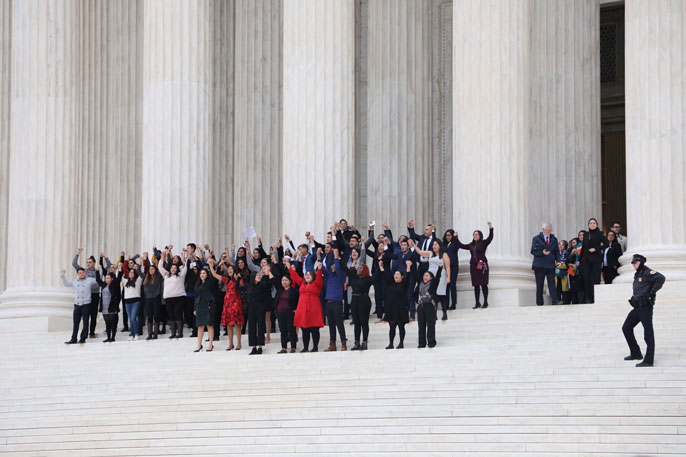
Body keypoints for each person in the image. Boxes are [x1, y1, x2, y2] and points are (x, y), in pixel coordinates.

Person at [622, 254, 665, 367]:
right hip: (637, 307)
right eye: (632, 263)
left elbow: (661, 278)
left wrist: (652, 293)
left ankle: (649, 360)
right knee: (626, 327)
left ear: (640, 262)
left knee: (648, 333)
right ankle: (636, 353)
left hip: (645, 307)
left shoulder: (647, 271)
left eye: (635, 262)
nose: (633, 265)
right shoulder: (638, 274)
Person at [455, 222, 494, 309]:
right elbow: (460, 245)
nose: (475, 236)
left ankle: (485, 302)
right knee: (476, 285)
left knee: (483, 284)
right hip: (473, 266)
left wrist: (490, 228)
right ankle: (477, 303)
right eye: (474, 234)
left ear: (480, 235)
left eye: (477, 234)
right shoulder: (470, 245)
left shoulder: (484, 243)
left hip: (482, 266)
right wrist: (456, 237)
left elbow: (490, 238)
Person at [342, 259, 378, 351]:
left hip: (364, 300)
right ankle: (356, 342)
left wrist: (379, 265)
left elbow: (376, 277)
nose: (358, 269)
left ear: (365, 270)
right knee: (356, 323)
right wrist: (351, 264)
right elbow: (346, 270)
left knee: (363, 322)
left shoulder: (368, 279)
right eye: (358, 268)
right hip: (354, 300)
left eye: (361, 268)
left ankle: (364, 342)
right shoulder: (354, 277)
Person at [289, 261, 325, 352]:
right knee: (304, 329)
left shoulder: (316, 284)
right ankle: (305, 347)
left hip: (314, 309)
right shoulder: (302, 283)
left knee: (314, 329)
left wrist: (320, 269)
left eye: (309, 274)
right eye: (306, 274)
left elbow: (319, 279)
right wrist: (289, 267)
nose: (307, 276)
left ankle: (315, 347)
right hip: (303, 309)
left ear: (313, 276)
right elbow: (295, 277)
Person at [411, 239, 451, 320]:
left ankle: (444, 313)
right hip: (431, 275)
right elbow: (420, 252)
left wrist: (448, 277)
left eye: (436, 244)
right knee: (433, 294)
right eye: (433, 245)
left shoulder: (444, 255)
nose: (434, 246)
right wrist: (413, 245)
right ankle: (434, 314)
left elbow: (447, 267)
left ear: (440, 245)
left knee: (441, 294)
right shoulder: (430, 253)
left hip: (441, 276)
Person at [210, 261, 244, 351]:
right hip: (227, 303)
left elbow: (242, 286)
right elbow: (214, 275)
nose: (229, 270)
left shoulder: (238, 279)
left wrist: (238, 279)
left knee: (237, 324)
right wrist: (210, 265)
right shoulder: (226, 279)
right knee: (229, 324)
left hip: (236, 302)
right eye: (228, 269)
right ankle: (230, 343)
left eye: (231, 269)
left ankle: (239, 343)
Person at [61, 267, 100, 344]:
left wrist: (99, 271)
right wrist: (63, 276)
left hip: (86, 304)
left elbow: (98, 281)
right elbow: (66, 284)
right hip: (77, 304)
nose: (82, 274)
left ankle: (83, 338)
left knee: (85, 322)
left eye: (83, 272)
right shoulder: (75, 281)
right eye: (80, 273)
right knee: (76, 322)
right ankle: (73, 338)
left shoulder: (90, 280)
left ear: (85, 273)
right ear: (78, 274)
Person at [380, 260, 411, 349]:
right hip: (391, 308)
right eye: (395, 274)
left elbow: (408, 277)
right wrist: (382, 267)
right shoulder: (391, 284)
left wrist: (408, 266)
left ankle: (401, 342)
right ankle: (391, 343)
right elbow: (385, 276)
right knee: (392, 326)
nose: (396, 276)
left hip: (401, 308)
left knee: (401, 326)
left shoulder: (404, 284)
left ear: (402, 276)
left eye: (398, 274)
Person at [158, 248, 188, 339]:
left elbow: (186, 267)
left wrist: (183, 258)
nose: (173, 269)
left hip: (179, 298)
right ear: (170, 269)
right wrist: (162, 257)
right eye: (172, 268)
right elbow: (160, 267)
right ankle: (173, 333)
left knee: (178, 313)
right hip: (168, 298)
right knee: (171, 315)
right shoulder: (166, 275)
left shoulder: (181, 276)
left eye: (175, 268)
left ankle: (180, 332)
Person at [72, 248, 102, 338]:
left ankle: (92, 332)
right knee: (86, 316)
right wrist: (77, 253)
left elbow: (99, 280)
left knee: (93, 315)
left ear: (94, 263)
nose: (88, 264)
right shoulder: (83, 271)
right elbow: (74, 264)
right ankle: (84, 333)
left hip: (95, 294)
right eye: (87, 262)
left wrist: (100, 270)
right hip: (86, 296)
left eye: (90, 262)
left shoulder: (97, 271)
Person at [322, 247, 348, 351]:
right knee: (331, 324)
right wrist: (320, 256)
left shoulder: (341, 275)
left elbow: (337, 267)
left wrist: (336, 256)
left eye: (334, 265)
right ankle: (332, 343)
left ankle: (343, 342)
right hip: (328, 302)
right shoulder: (329, 276)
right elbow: (324, 268)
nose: (333, 266)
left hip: (337, 302)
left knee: (339, 323)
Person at [269, 267, 299, 353]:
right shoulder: (280, 290)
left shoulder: (294, 291)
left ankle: (293, 346)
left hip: (290, 312)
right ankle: (284, 347)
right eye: (282, 280)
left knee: (291, 329)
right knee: (283, 330)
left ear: (290, 281)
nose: (284, 282)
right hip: (280, 313)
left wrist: (296, 309)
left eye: (286, 280)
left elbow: (297, 300)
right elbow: (273, 281)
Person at [530, 222, 561, 306]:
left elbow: (557, 252)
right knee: (540, 285)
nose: (549, 232)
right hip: (539, 265)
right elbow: (533, 251)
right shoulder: (536, 238)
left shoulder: (554, 239)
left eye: (550, 230)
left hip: (550, 265)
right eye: (547, 230)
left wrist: (558, 260)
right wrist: (542, 252)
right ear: (543, 230)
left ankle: (555, 300)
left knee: (552, 284)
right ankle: (539, 303)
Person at [414, 265, 443, 348]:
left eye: (427, 275)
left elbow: (437, 277)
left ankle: (431, 342)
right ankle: (421, 343)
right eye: (424, 275)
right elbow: (415, 294)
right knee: (421, 325)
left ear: (431, 277)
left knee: (430, 324)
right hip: (421, 306)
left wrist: (440, 268)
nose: (425, 277)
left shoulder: (433, 283)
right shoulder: (420, 284)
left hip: (430, 305)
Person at [193, 263, 219, 352]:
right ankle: (199, 344)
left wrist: (211, 266)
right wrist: (195, 308)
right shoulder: (197, 284)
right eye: (201, 273)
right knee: (200, 326)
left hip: (209, 305)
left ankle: (211, 344)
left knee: (209, 325)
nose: (202, 275)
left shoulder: (210, 282)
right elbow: (196, 297)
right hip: (200, 306)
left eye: (204, 273)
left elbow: (214, 276)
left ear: (207, 274)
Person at [247, 265, 272, 355]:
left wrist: (266, 272)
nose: (258, 276)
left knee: (261, 326)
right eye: (257, 275)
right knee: (252, 327)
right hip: (252, 308)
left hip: (261, 307)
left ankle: (260, 346)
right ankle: (253, 346)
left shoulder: (262, 284)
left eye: (259, 275)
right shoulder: (250, 287)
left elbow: (266, 282)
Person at [580, 218, 604, 303]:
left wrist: (596, 249)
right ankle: (588, 297)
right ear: (588, 225)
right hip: (586, 260)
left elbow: (606, 244)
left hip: (596, 259)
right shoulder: (586, 234)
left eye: (594, 223)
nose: (592, 224)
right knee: (586, 278)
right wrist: (580, 260)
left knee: (595, 278)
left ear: (596, 224)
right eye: (590, 223)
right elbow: (583, 248)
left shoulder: (600, 234)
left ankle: (595, 297)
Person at [95, 268, 123, 342]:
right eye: (105, 278)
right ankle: (108, 337)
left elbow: (119, 278)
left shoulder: (115, 285)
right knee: (107, 323)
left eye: (108, 278)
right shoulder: (104, 285)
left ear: (112, 279)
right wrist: (98, 271)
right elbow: (98, 280)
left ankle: (113, 337)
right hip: (104, 306)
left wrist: (120, 271)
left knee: (113, 323)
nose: (106, 279)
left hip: (112, 307)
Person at [121, 264, 144, 340]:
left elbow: (142, 274)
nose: (130, 273)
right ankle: (132, 334)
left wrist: (138, 267)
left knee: (133, 318)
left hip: (136, 301)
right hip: (127, 302)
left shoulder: (138, 280)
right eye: (130, 272)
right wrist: (124, 261)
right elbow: (123, 269)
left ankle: (136, 333)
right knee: (130, 319)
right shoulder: (125, 281)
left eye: (132, 272)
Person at [142, 264, 163, 340]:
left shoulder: (158, 278)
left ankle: (156, 333)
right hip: (148, 299)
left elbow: (161, 269)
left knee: (156, 315)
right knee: (149, 316)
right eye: (150, 269)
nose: (151, 270)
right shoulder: (146, 278)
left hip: (156, 298)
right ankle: (149, 334)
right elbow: (138, 271)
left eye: (152, 269)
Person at [443, 230, 459, 310]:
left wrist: (456, 237)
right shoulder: (445, 245)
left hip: (453, 266)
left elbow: (457, 246)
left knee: (452, 285)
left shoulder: (454, 243)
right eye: (446, 235)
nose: (447, 237)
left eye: (449, 235)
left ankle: (453, 304)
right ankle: (446, 304)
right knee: (446, 286)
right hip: (445, 267)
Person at [554, 240, 572, 304]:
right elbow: (553, 262)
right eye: (559, 244)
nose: (560, 246)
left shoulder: (567, 253)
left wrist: (560, 265)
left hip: (564, 274)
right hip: (556, 274)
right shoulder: (555, 253)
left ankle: (565, 301)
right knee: (557, 287)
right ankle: (557, 300)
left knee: (564, 288)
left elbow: (567, 264)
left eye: (562, 245)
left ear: (565, 246)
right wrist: (558, 264)